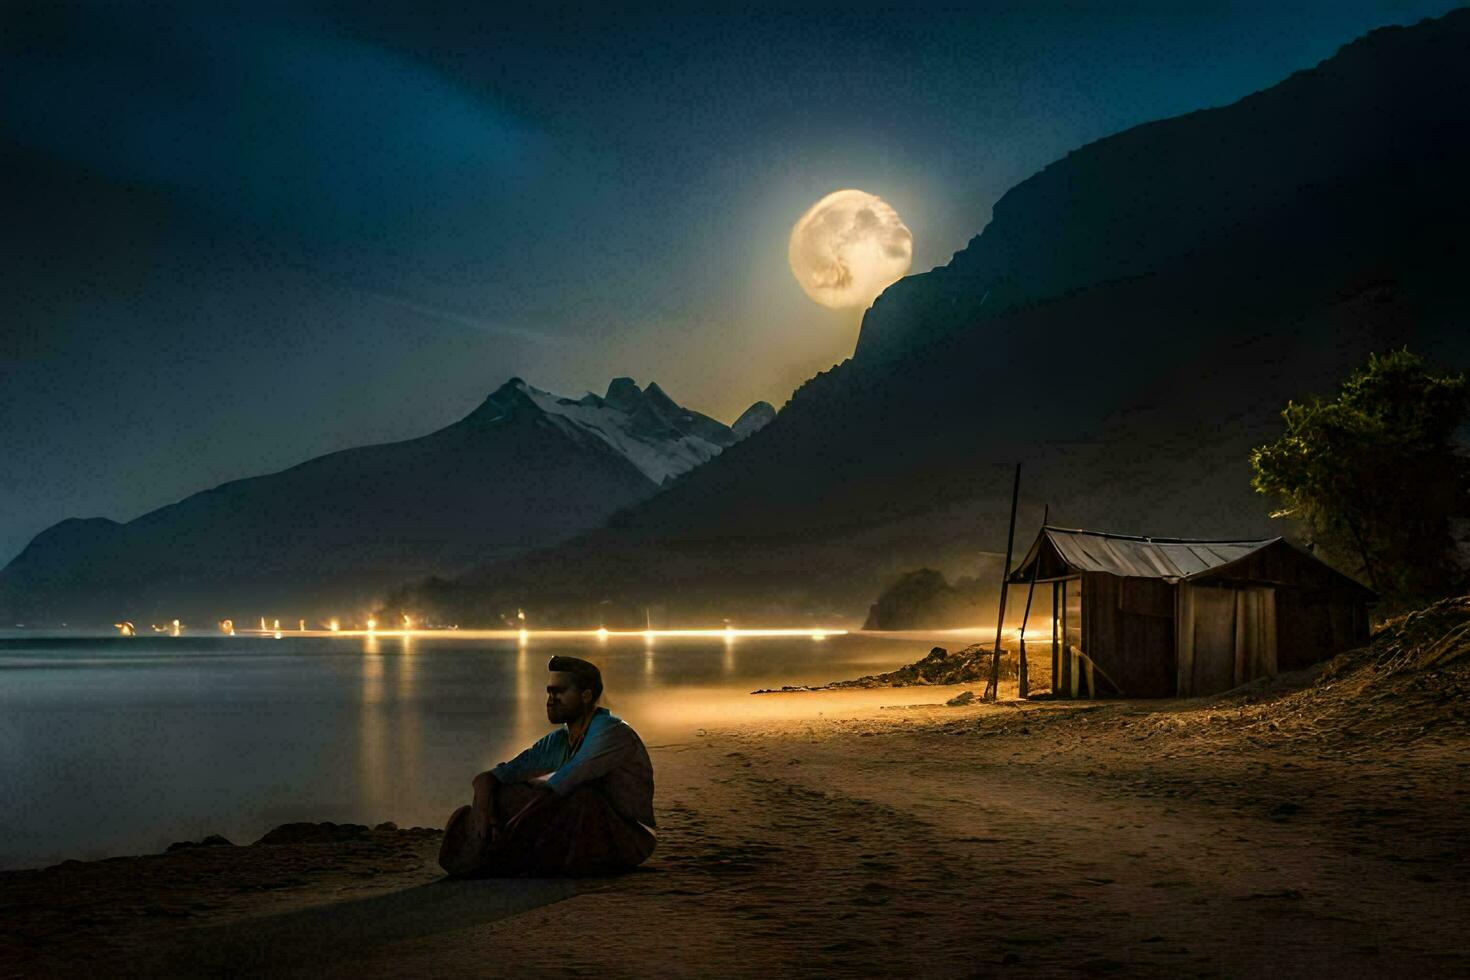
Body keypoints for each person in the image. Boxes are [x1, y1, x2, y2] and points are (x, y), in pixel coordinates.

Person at [439, 655, 656, 877]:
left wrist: (510, 830)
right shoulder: (562, 738)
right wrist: (484, 813)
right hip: (587, 828)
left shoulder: (610, 732)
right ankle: (488, 847)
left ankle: (497, 856)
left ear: (586, 696)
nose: (551, 699)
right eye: (549, 692)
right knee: (509, 791)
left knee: (581, 798)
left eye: (560, 692)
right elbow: (489, 778)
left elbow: (560, 787)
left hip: (629, 838)